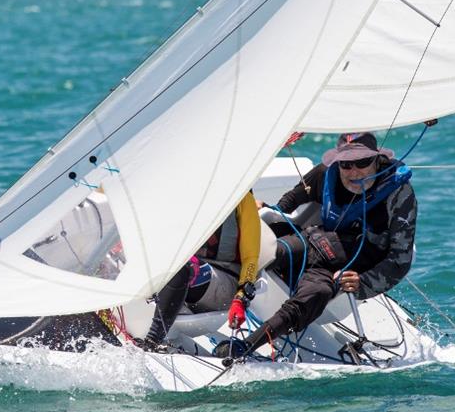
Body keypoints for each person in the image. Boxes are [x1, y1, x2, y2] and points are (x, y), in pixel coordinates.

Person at [216, 132, 417, 357]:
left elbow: (400, 259)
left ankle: (243, 347)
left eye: (362, 162)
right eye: (346, 164)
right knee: (270, 250)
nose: (354, 172)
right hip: (315, 242)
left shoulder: (398, 193)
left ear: (377, 160)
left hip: (345, 269)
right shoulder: (326, 173)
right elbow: (290, 200)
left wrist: (364, 282)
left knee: (315, 294)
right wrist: (263, 208)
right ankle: (203, 286)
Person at [138, 191, 265, 350]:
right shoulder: (190, 186)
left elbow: (251, 259)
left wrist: (241, 298)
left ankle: (151, 341)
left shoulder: (243, 198)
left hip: (224, 280)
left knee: (184, 265)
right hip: (187, 272)